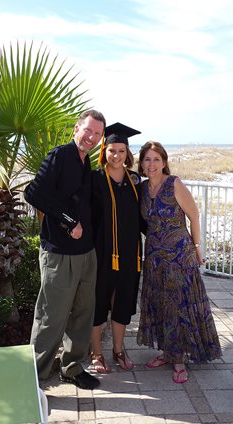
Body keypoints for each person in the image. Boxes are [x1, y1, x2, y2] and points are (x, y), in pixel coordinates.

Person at [24, 110, 106, 390]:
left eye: (97, 134)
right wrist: (69, 221)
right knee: (52, 316)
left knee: (83, 314)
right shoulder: (60, 155)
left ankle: (71, 366)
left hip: (86, 254)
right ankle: (34, 375)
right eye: (88, 131)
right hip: (59, 253)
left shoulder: (86, 163)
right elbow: (33, 193)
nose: (92, 137)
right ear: (76, 128)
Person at [137, 141, 222, 383]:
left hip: (179, 255)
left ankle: (179, 360)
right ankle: (167, 352)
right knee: (161, 302)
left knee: (178, 304)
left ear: (164, 162)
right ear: (141, 164)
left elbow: (194, 216)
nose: (151, 164)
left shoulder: (174, 183)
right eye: (147, 159)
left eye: (156, 159)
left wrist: (197, 248)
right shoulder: (142, 189)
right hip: (154, 256)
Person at [90, 122, 144, 373]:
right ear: (104, 150)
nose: (116, 155)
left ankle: (119, 350)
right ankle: (97, 354)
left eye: (121, 151)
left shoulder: (135, 181)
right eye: (112, 150)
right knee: (99, 302)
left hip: (130, 254)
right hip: (101, 254)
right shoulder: (94, 179)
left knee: (123, 302)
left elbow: (145, 218)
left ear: (127, 152)